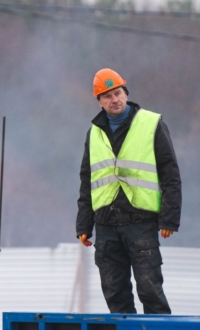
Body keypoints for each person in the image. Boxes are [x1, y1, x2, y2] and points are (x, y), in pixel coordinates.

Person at [76, 68, 181, 315]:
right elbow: (87, 180)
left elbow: (170, 174)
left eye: (118, 93)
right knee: (115, 294)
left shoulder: (151, 124)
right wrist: (84, 225)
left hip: (141, 221)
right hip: (106, 225)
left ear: (126, 93)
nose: (114, 100)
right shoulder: (94, 133)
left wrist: (169, 219)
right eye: (107, 96)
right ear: (99, 102)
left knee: (150, 291)